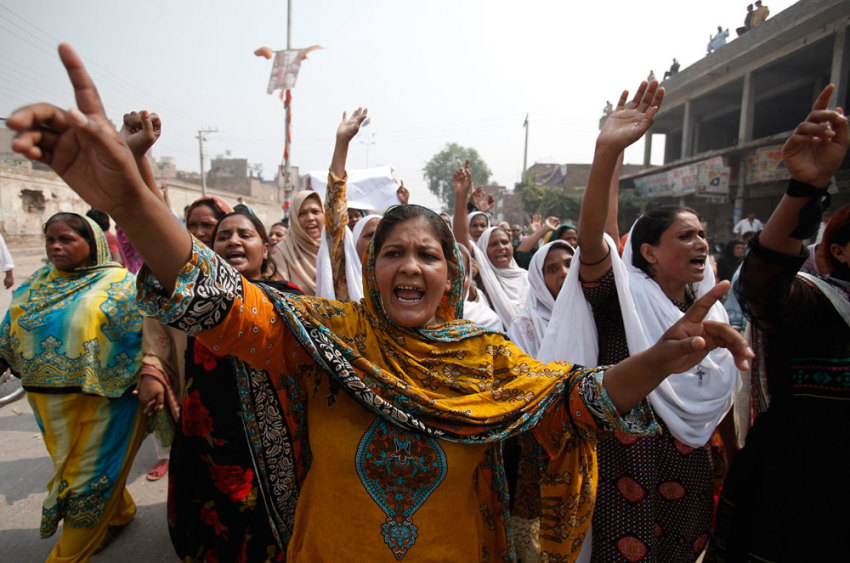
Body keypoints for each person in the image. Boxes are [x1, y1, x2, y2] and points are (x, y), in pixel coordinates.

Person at [7, 43, 752, 561]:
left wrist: (659, 358)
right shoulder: (322, 333)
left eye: (429, 253)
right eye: (392, 251)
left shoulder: (488, 358)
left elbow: (578, 400)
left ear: (452, 277)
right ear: (369, 265)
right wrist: (134, 202)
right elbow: (222, 300)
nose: (409, 265)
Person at [539, 80, 739, 562]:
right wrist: (607, 153)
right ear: (647, 251)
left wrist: (732, 454)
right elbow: (594, 243)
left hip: (690, 479)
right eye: (685, 235)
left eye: (702, 235)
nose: (700, 244)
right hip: (627, 475)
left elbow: (724, 403)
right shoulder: (622, 300)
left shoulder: (712, 312)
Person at [708, 84, 849, 562]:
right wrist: (804, 190)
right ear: (839, 250)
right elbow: (759, 290)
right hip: (801, 506)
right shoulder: (822, 303)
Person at [0, 212, 146, 561]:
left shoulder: (121, 284)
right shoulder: (36, 283)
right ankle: (120, 512)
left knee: (84, 485)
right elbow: (8, 333)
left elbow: (143, 339)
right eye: (50, 239)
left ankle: (69, 555)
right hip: (51, 409)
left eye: (66, 239)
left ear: (92, 243)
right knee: (75, 469)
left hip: (108, 404)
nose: (55, 246)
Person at [159, 209, 302, 561]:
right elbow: (165, 252)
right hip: (206, 441)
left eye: (245, 234)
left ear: (266, 248)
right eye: (223, 236)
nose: (233, 241)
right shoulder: (195, 298)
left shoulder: (290, 300)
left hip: (270, 450)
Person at [270, 189, 323, 295]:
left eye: (315, 212)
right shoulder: (283, 251)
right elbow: (281, 295)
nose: (310, 218)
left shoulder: (336, 249)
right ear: (294, 219)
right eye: (302, 214)